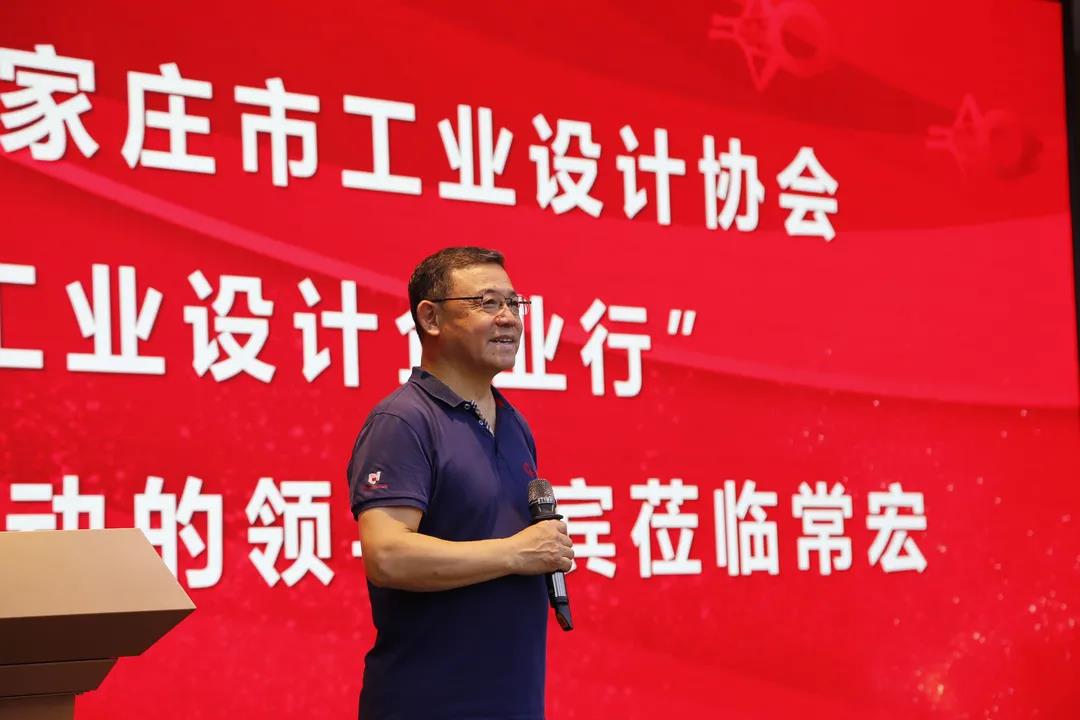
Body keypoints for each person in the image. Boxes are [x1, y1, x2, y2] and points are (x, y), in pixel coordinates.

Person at [346, 246, 574, 720]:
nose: (508, 318)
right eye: (487, 303)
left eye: (514, 303)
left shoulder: (514, 423)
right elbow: (387, 555)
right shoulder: (404, 421)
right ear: (430, 318)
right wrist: (516, 552)